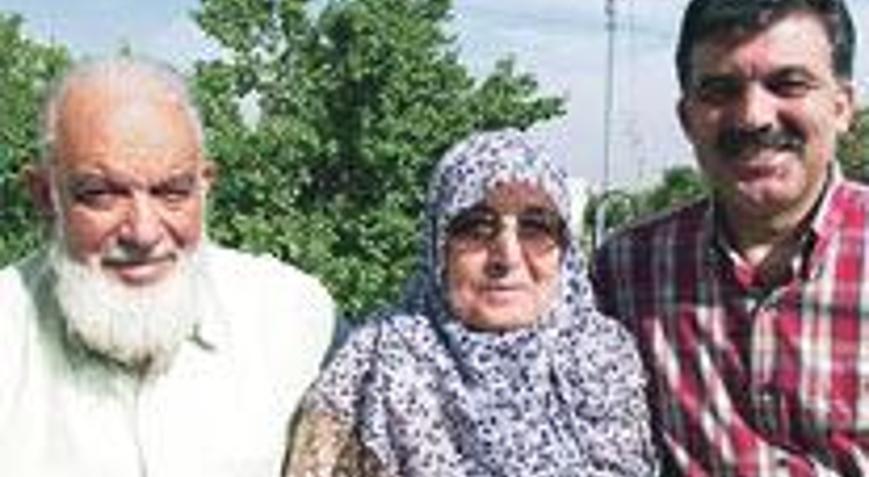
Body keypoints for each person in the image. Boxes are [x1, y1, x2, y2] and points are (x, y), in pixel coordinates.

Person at [0, 57, 335, 476]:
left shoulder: (296, 321)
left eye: (172, 192)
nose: (143, 232)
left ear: (205, 187)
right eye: (102, 194)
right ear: (44, 196)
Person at [592, 0, 865, 474]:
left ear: (842, 107)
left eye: (788, 84)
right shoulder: (626, 271)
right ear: (686, 117)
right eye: (720, 90)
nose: (754, 116)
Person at [284, 129, 657, 476]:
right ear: (438, 247)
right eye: (476, 227)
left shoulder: (603, 361)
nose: (507, 257)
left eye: (535, 228)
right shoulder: (373, 367)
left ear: (565, 249)